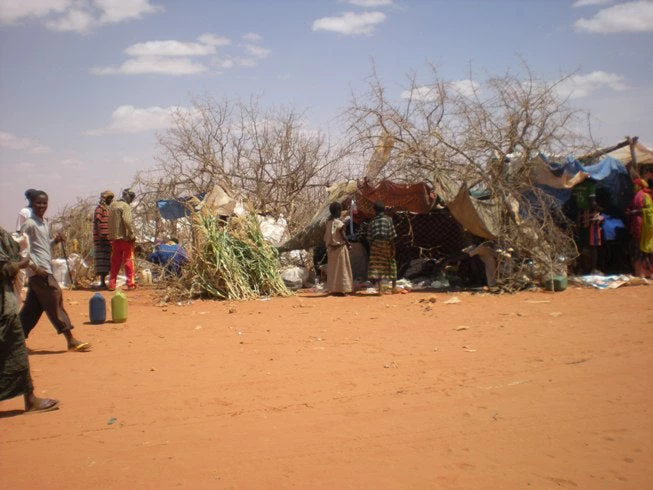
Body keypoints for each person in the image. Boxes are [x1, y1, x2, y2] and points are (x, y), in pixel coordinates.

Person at [18, 191, 91, 352]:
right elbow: (20, 249)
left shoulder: (43, 223)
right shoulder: (29, 224)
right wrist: (35, 267)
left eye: (44, 203)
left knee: (32, 309)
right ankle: (70, 339)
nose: (42, 206)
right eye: (38, 203)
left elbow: (41, 247)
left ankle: (14, 342)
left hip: (44, 269)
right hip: (40, 273)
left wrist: (55, 241)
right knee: (55, 300)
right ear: (32, 204)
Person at [1, 226, 60, 414]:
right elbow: (6, 267)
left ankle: (30, 398)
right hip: (4, 306)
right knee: (16, 348)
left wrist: (31, 265)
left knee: (16, 348)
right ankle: (31, 399)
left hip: (8, 303)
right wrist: (21, 265)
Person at [12, 189, 38, 306]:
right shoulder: (29, 211)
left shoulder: (29, 211)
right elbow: (20, 230)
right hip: (29, 244)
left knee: (29, 272)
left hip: (31, 244)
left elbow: (20, 230)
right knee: (27, 272)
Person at [108, 188, 137, 290]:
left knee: (115, 262)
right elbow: (127, 221)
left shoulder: (112, 206)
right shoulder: (125, 206)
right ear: (128, 196)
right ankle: (130, 284)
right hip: (125, 238)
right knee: (129, 260)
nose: (132, 200)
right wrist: (132, 234)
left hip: (114, 239)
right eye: (132, 197)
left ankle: (112, 284)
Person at [367, 201, 398, 294]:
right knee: (391, 263)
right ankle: (394, 287)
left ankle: (380, 288)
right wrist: (393, 248)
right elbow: (392, 236)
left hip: (375, 244)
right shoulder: (388, 220)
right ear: (384, 210)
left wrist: (372, 248)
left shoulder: (372, 222)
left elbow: (369, 237)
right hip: (386, 243)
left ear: (374, 211)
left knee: (378, 265)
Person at [323, 202, 353, 295]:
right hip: (340, 249)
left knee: (333, 270)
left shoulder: (328, 223)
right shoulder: (339, 223)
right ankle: (342, 289)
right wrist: (348, 244)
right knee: (342, 270)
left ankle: (333, 289)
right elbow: (343, 235)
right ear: (337, 211)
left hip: (331, 249)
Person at [627, 178, 653, 277]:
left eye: (634, 185)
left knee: (645, 250)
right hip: (636, 225)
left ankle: (648, 272)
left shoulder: (645, 196)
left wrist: (637, 212)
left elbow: (650, 211)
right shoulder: (635, 196)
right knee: (637, 249)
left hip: (644, 226)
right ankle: (640, 273)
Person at [93, 190, 114, 289]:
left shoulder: (107, 209)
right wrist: (100, 236)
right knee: (101, 261)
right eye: (110, 199)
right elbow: (97, 222)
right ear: (106, 199)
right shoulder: (99, 209)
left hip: (107, 239)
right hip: (101, 239)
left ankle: (104, 282)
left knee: (106, 261)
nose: (111, 201)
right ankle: (102, 282)